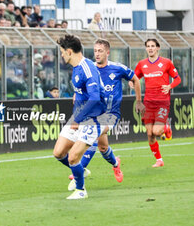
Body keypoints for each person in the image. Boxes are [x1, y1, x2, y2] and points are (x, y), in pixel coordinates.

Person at [67, 38, 145, 189]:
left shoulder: (117, 68)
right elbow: (82, 88)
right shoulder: (89, 68)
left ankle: (80, 168)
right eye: (95, 50)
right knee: (103, 148)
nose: (97, 54)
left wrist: (139, 101)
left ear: (107, 52)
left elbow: (135, 79)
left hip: (111, 113)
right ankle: (116, 164)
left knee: (93, 132)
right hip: (95, 112)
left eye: (100, 51)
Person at [53, 35, 106, 200]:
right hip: (78, 116)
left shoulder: (86, 68)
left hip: (92, 119)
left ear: (69, 52)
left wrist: (78, 118)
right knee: (58, 152)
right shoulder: (76, 68)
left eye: (62, 52)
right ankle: (81, 171)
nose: (61, 55)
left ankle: (81, 190)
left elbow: (95, 97)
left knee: (73, 156)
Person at [133, 38, 181, 168]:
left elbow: (177, 78)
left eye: (153, 46)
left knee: (157, 131)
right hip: (148, 102)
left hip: (162, 101)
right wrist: (131, 83)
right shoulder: (142, 64)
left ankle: (166, 128)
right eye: (148, 46)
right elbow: (134, 78)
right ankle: (159, 160)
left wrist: (170, 86)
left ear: (158, 48)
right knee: (150, 134)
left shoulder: (166, 63)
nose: (150, 48)